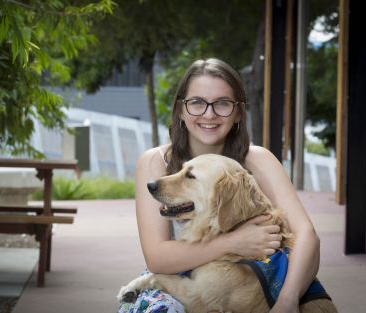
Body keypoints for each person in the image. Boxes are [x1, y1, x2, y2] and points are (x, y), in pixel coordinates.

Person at [118, 58, 320, 313]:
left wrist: (287, 301)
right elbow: (157, 257)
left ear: (238, 113)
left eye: (223, 103)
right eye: (197, 103)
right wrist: (232, 242)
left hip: (254, 283)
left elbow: (306, 236)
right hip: (177, 279)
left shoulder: (259, 160)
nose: (209, 114)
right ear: (181, 109)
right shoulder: (155, 163)